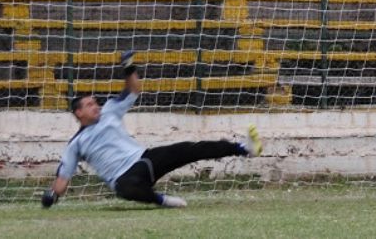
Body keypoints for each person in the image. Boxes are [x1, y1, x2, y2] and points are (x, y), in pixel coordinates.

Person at [41, 51, 263, 209]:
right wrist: (52, 196)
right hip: (123, 177)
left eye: (95, 102)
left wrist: (129, 68)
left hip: (144, 159)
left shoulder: (110, 110)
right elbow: (63, 177)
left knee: (190, 149)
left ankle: (244, 148)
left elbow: (134, 89)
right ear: (78, 113)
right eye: (89, 105)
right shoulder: (76, 144)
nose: (96, 106)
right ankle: (161, 201)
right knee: (125, 189)